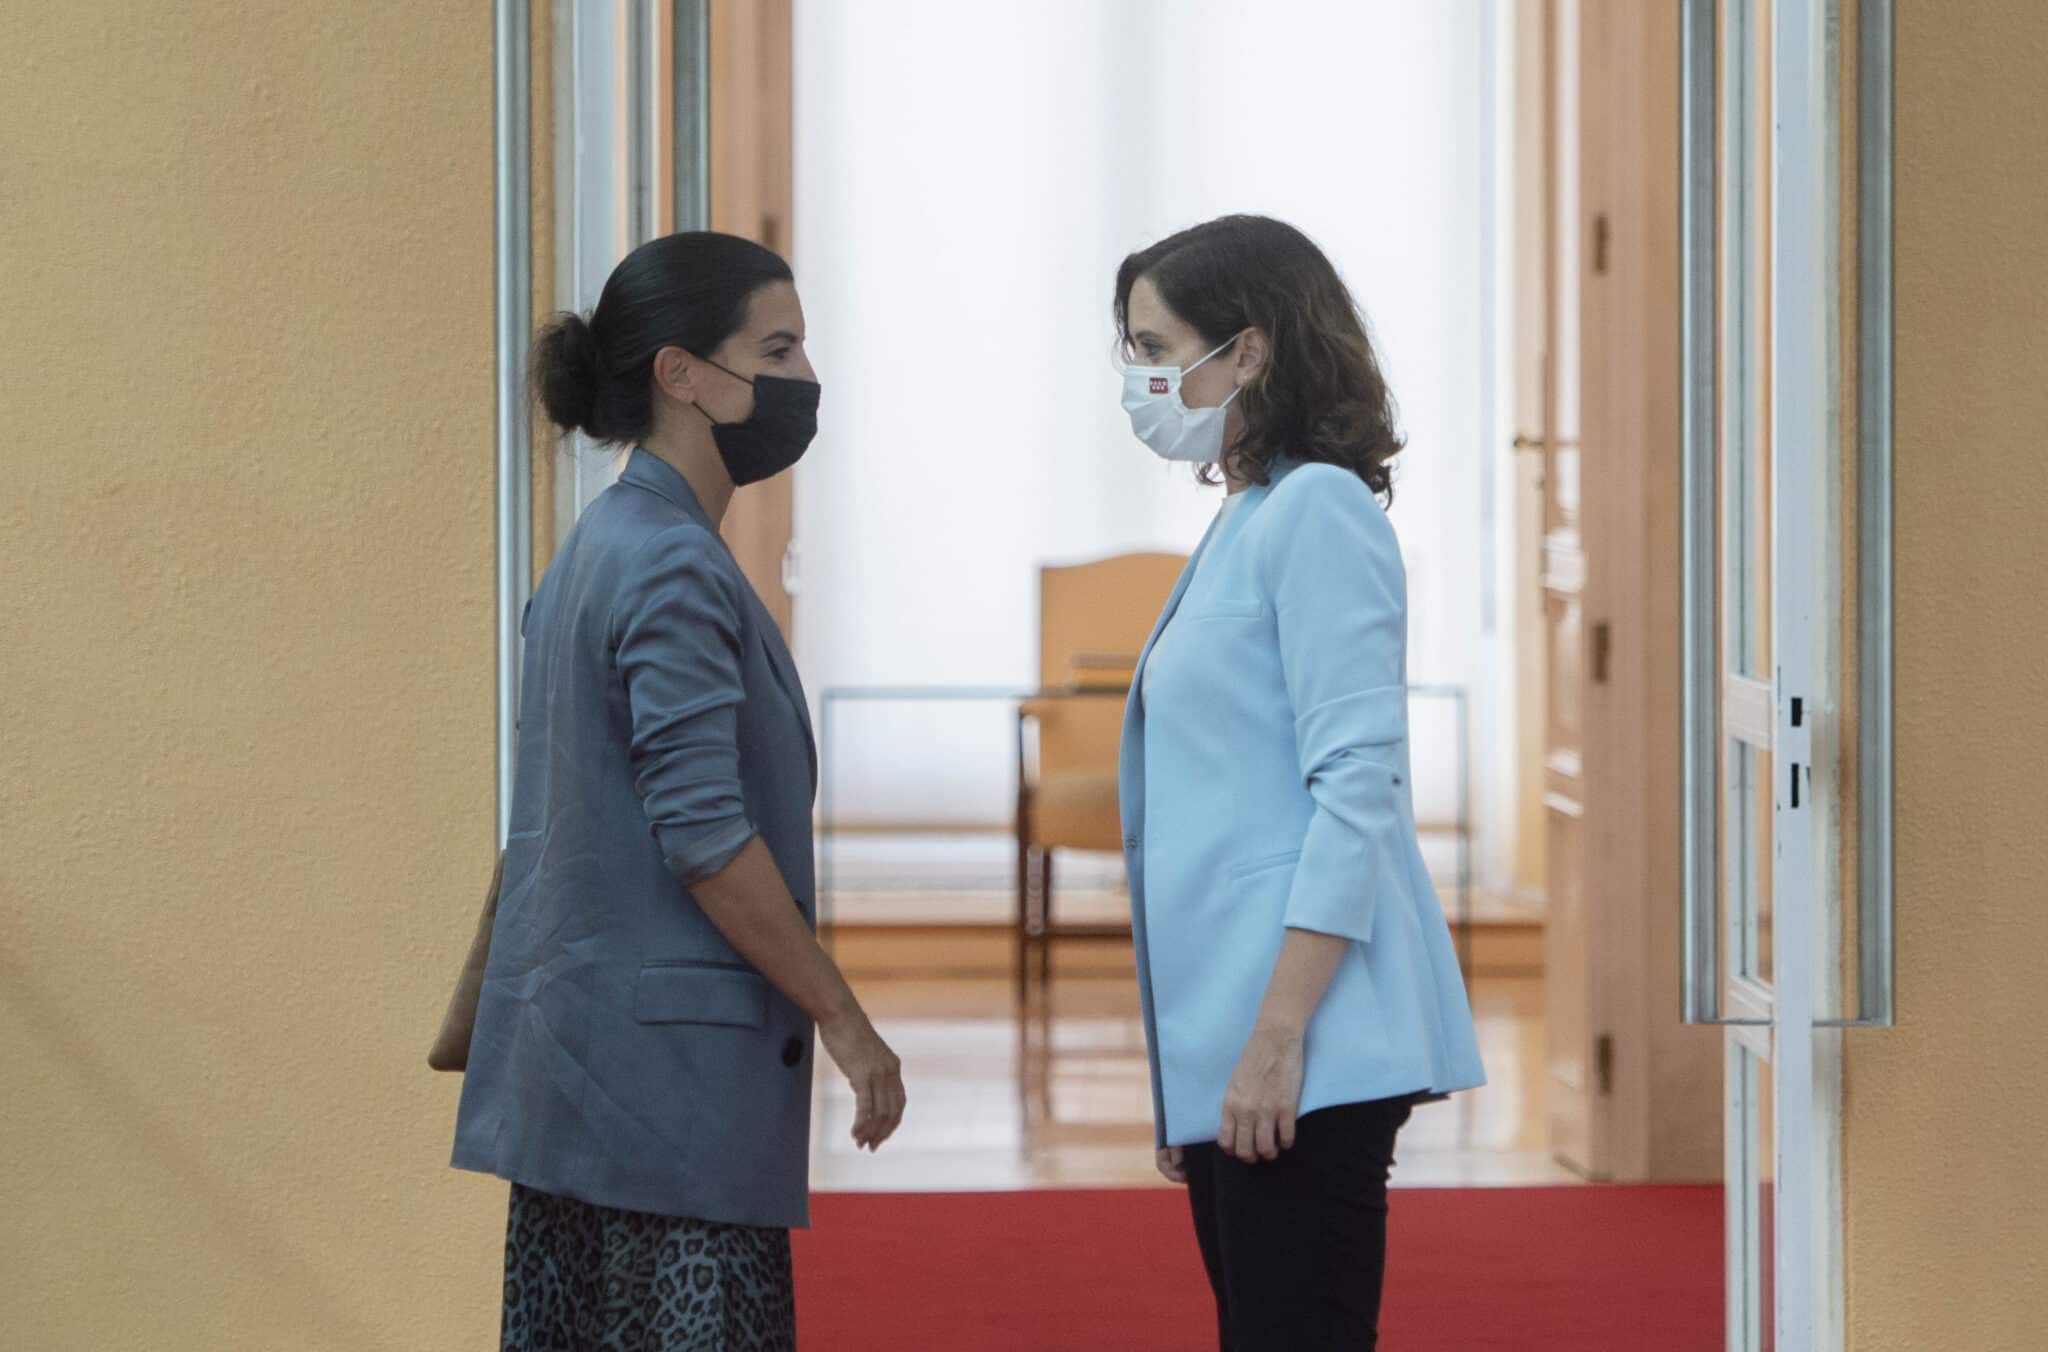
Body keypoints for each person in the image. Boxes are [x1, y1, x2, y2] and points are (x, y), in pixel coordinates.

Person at [451, 231, 906, 1352]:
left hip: (584, 1085)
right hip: (669, 1104)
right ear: (682, 372)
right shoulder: (668, 562)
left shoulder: (602, 542)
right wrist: (847, 1023)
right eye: (778, 346)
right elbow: (704, 835)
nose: (803, 377)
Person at [1112, 215, 1486, 1350]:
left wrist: (1272, 1037)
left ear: (1250, 351)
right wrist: (1197, 1066)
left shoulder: (1317, 509)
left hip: (1304, 1035)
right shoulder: (1247, 512)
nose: (1139, 379)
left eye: (1155, 346)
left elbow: (1356, 786)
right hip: (1240, 1033)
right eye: (1127, 350)